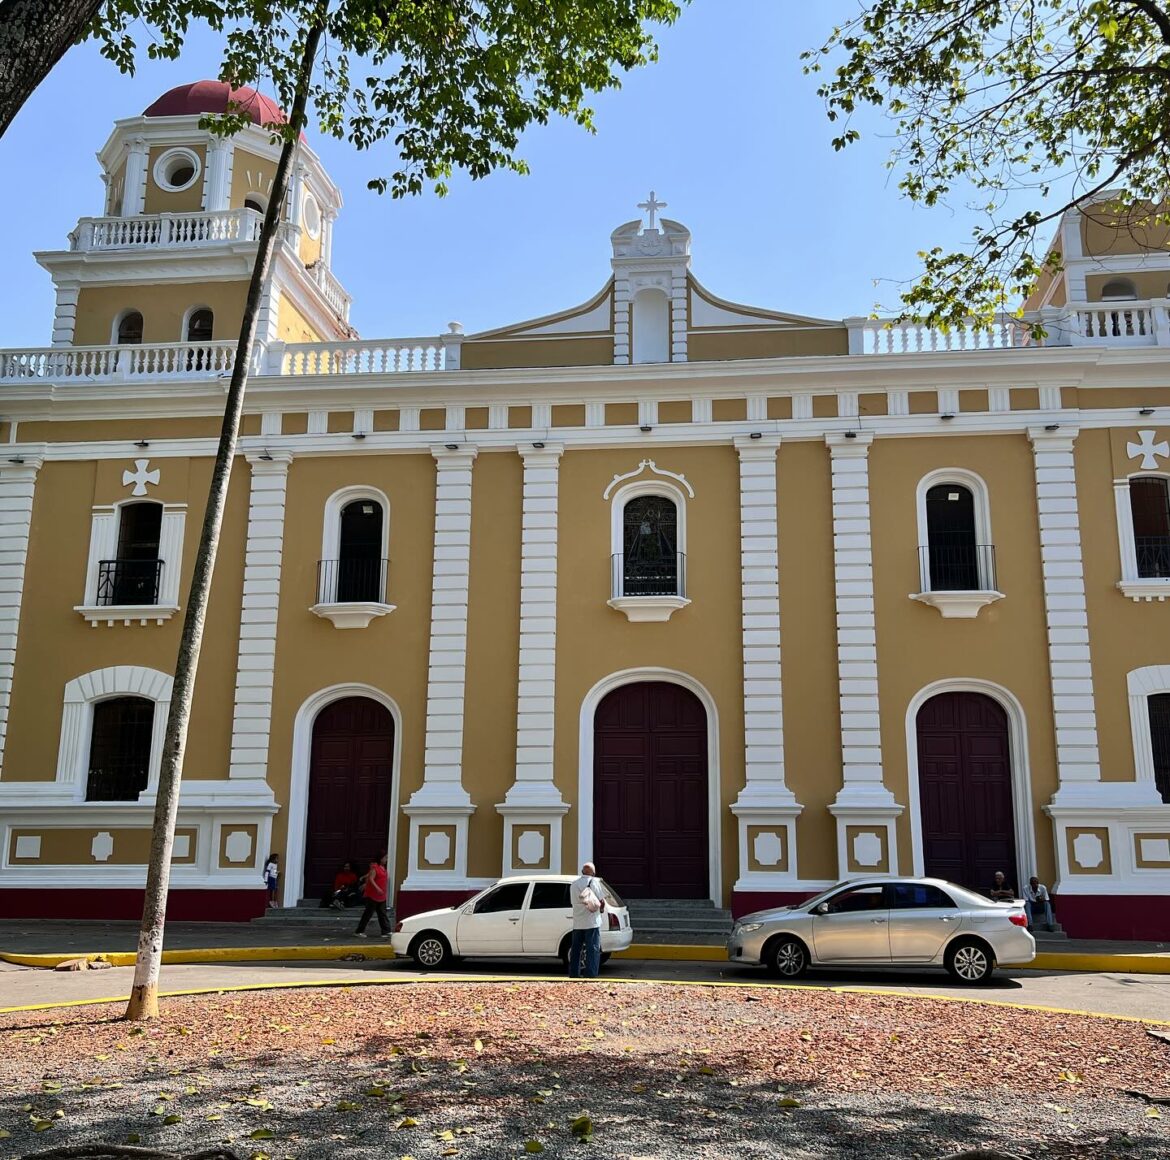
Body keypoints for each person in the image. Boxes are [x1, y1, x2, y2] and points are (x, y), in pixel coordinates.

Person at [568, 861, 605, 979]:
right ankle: (590, 974)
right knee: (592, 949)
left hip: (578, 922)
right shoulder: (594, 883)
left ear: (582, 872)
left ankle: (574, 973)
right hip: (592, 922)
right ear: (593, 873)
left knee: (576, 949)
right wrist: (602, 910)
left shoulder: (573, 885)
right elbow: (601, 901)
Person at [355, 853, 391, 937]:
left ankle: (386, 931)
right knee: (368, 914)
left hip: (381, 896)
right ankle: (359, 931)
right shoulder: (375, 867)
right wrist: (377, 888)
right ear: (380, 858)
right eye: (385, 857)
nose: (386, 859)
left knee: (382, 913)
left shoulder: (383, 868)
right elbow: (371, 878)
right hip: (373, 895)